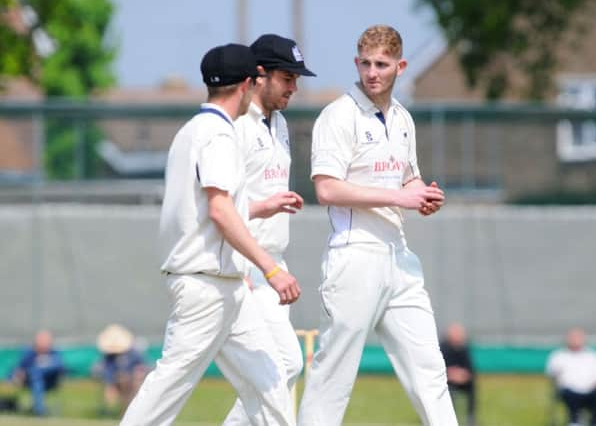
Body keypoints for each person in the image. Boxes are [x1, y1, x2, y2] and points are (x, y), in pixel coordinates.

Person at [120, 43, 301, 426]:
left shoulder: (192, 130)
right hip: (204, 288)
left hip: (229, 287)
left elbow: (209, 209)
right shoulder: (219, 135)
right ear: (248, 84)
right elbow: (220, 211)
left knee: (273, 383)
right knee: (169, 387)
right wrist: (271, 268)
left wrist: (259, 209)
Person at [297, 25, 458, 426]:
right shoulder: (338, 116)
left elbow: (408, 178)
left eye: (382, 65)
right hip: (354, 257)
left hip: (398, 258)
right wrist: (400, 197)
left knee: (430, 369)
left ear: (400, 66)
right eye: (366, 63)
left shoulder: (403, 118)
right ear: (357, 63)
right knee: (333, 376)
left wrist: (422, 195)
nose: (372, 72)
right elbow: (328, 190)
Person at [222, 33, 315, 425]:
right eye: (287, 77)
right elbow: (219, 207)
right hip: (243, 266)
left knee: (288, 366)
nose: (294, 86)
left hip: (272, 263)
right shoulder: (237, 126)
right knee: (273, 374)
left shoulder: (280, 125)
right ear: (259, 75)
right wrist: (264, 208)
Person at [546, 327, 596, 426]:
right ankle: (574, 420)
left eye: (578, 338)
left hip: (592, 390)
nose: (575, 341)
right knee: (569, 393)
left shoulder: (593, 356)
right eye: (573, 338)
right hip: (570, 391)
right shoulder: (559, 356)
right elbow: (553, 372)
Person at [92, 324, 148, 416]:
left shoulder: (133, 354)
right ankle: (114, 411)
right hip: (114, 380)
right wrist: (109, 381)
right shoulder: (109, 357)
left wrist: (136, 375)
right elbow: (105, 370)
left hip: (131, 380)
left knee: (129, 385)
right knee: (111, 389)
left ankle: (127, 410)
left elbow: (141, 366)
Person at [9, 330, 65, 416]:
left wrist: (44, 363)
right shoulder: (29, 354)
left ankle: (39, 411)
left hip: (50, 382)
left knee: (37, 373)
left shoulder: (54, 354)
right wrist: (18, 375)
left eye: (46, 341)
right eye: (41, 341)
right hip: (29, 382)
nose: (43, 343)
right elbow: (18, 369)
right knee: (35, 376)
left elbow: (61, 368)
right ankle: (39, 410)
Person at [440, 323, 476, 426]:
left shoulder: (464, 348)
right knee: (449, 392)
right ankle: (449, 418)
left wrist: (464, 376)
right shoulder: (443, 348)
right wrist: (451, 374)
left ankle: (471, 418)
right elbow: (440, 369)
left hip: (462, 381)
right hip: (447, 381)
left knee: (472, 387)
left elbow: (470, 369)